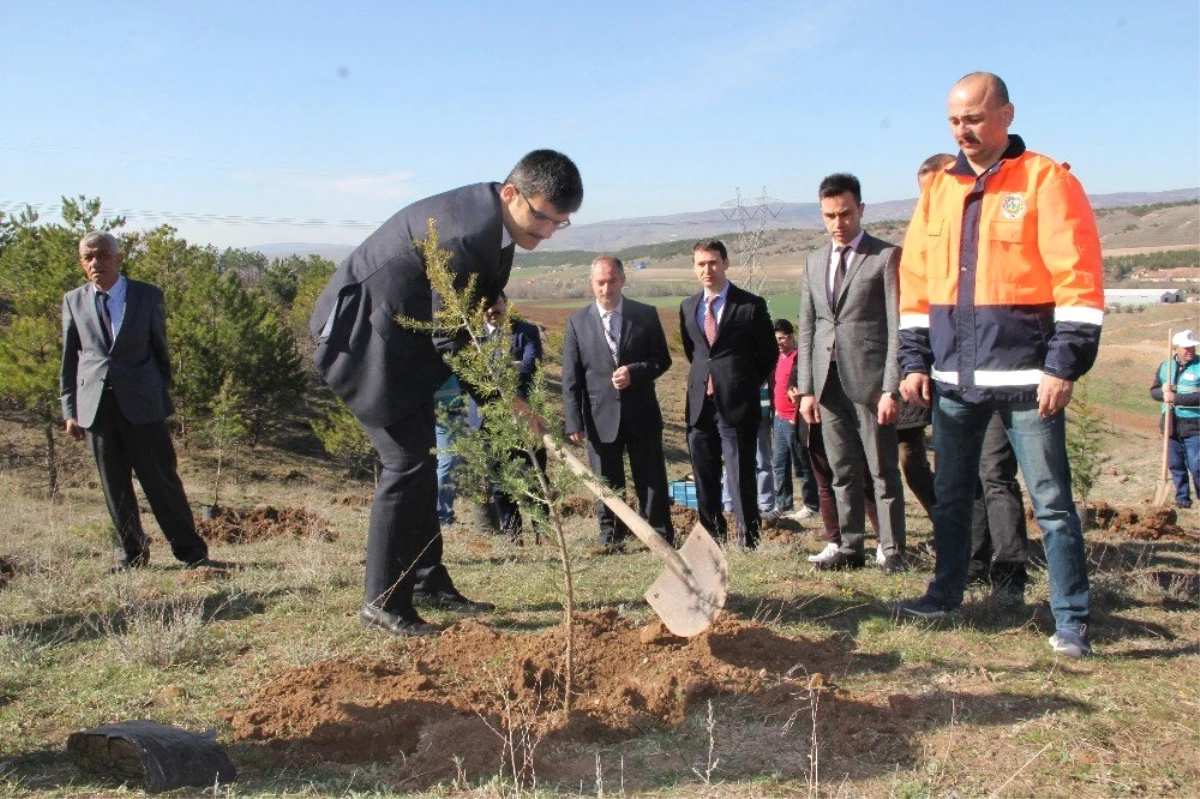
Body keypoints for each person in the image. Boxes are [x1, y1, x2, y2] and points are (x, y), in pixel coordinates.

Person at [310, 149, 582, 637]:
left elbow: (470, 301)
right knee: (406, 464)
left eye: (559, 225)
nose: (545, 234)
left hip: (404, 346)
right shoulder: (461, 233)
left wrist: (489, 302)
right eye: (542, 219)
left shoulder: (499, 225)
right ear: (510, 194)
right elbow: (452, 339)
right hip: (364, 343)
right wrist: (509, 405)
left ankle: (426, 579)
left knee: (423, 455)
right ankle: (382, 602)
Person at [897, 73, 1104, 659]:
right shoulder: (937, 189)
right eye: (955, 121)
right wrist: (914, 359)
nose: (964, 130)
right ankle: (945, 594)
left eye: (975, 118)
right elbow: (916, 285)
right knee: (954, 497)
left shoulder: (1047, 180)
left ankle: (1070, 619)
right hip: (956, 384)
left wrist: (1063, 365)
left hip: (1028, 382)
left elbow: (1079, 282)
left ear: (1007, 114)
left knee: (1053, 505)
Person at [60, 231, 213, 572]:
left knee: (161, 480)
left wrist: (159, 396)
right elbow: (70, 359)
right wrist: (70, 410)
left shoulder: (146, 296)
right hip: (96, 407)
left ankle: (191, 552)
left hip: (142, 405)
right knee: (114, 485)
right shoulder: (74, 300)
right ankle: (131, 553)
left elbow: (160, 351)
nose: (94, 262)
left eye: (101, 255)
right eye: (87, 257)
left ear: (119, 258)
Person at [919, 154, 1029, 597]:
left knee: (996, 473)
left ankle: (1010, 572)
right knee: (957, 480)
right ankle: (970, 562)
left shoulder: (984, 236)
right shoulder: (932, 245)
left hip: (1002, 374)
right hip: (951, 380)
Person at [796, 173, 906, 572]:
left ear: (860, 209)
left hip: (871, 384)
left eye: (844, 213)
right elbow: (808, 328)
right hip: (825, 384)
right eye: (829, 216)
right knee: (841, 470)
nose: (837, 223)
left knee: (882, 471)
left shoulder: (885, 257)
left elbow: (897, 328)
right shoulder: (813, 262)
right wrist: (806, 389)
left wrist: (891, 388)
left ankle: (892, 550)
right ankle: (850, 546)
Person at [561, 256, 674, 550]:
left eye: (612, 281)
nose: (606, 288)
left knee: (650, 477)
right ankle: (611, 535)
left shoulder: (645, 315)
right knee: (606, 480)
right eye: (600, 282)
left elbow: (662, 360)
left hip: (641, 412)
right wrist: (573, 420)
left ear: (623, 280)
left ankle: (659, 533)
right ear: (592, 284)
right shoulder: (577, 322)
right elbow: (571, 377)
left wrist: (634, 372)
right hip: (599, 415)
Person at [679, 238, 777, 548]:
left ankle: (748, 539)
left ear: (725, 263)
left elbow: (768, 354)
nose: (707, 269)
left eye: (713, 262)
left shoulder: (749, 305)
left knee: (739, 476)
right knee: (704, 476)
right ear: (694, 268)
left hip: (736, 405)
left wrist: (742, 383)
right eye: (701, 264)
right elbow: (694, 352)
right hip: (699, 405)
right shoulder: (688, 307)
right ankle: (712, 537)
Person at [474, 291, 545, 538]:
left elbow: (531, 365)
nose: (492, 310)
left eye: (496, 303)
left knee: (535, 476)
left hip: (527, 415)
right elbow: (472, 377)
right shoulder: (473, 337)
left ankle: (543, 532)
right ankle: (513, 535)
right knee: (500, 482)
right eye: (486, 305)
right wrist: (509, 368)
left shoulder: (526, 331)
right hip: (489, 419)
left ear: (505, 303)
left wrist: (495, 375)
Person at [770, 319, 819, 521]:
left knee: (801, 464)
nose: (779, 343)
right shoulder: (778, 358)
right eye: (776, 339)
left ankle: (811, 505)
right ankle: (784, 504)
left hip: (794, 418)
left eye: (781, 339)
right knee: (779, 463)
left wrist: (795, 417)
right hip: (779, 418)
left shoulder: (799, 358)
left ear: (790, 336)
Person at [1150, 329, 1200, 509]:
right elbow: (1153, 391)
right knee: (1175, 464)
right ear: (1175, 349)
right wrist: (1163, 393)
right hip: (1171, 422)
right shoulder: (1165, 366)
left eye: (1192, 347)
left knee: (1197, 465)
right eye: (1186, 348)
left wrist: (1176, 398)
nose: (1190, 351)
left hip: (1195, 424)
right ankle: (1182, 500)